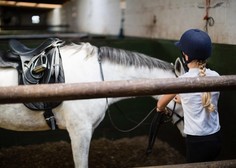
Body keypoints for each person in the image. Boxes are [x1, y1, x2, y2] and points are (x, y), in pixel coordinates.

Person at [156, 29, 221, 163]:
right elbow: (202, 98)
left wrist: (161, 110)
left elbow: (160, 104)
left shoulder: (182, 82)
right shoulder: (216, 77)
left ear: (186, 56)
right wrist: (182, 99)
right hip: (215, 139)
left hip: (196, 142)